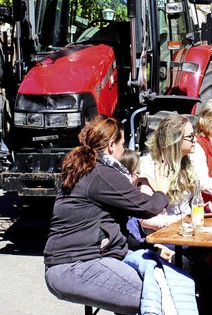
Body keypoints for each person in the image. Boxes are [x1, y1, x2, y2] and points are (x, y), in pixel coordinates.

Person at [44, 115, 171, 314]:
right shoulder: (101, 173)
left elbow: (115, 229)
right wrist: (162, 192)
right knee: (157, 295)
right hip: (76, 265)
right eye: (122, 144)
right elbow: (147, 207)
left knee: (164, 279)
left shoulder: (87, 169)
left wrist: (150, 248)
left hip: (78, 261)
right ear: (112, 145)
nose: (124, 150)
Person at [138, 114, 197, 232]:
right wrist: (183, 221)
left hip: (186, 231)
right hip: (163, 236)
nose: (195, 139)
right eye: (191, 136)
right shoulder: (150, 166)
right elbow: (146, 218)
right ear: (175, 140)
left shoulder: (186, 162)